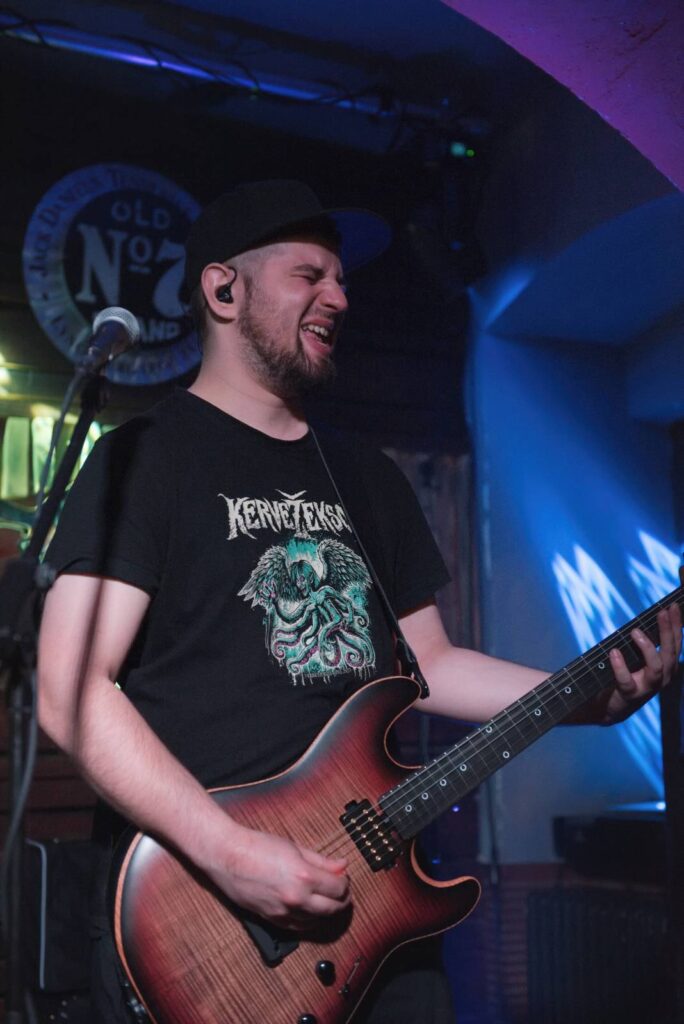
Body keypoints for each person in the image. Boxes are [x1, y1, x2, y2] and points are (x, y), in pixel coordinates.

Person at [37, 180, 682, 1023]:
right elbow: (71, 690)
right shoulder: (144, 459)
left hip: (377, 917)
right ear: (223, 289)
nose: (339, 298)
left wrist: (585, 701)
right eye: (309, 275)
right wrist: (228, 852)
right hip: (202, 924)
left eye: (341, 281)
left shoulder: (367, 477)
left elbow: (431, 664)